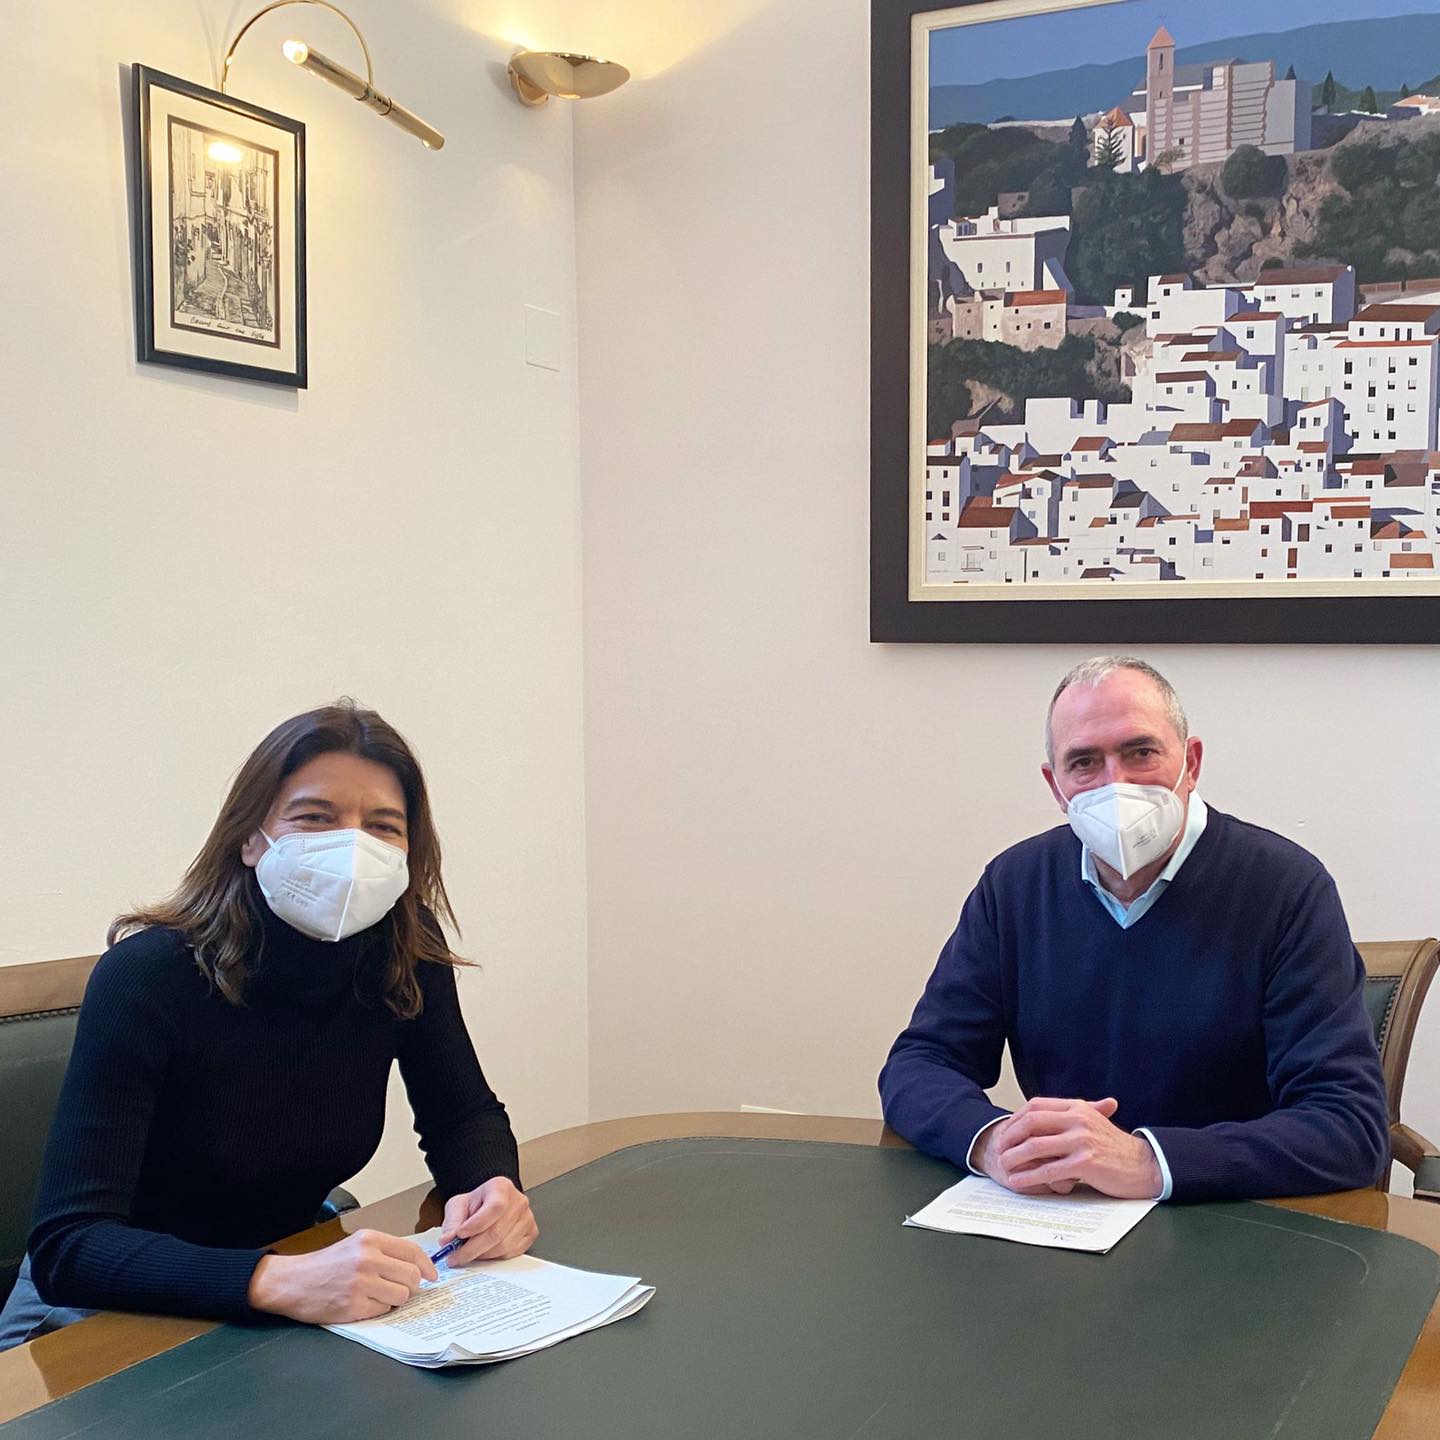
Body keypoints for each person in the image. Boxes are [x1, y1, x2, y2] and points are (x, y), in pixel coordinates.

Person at [0, 702, 537, 1350]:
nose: (352, 847)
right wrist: (272, 1280)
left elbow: (462, 1116)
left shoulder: (405, 954)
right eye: (315, 817)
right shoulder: (147, 976)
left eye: (382, 826)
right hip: (97, 1313)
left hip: (286, 1277)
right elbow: (70, 1248)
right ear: (250, 838)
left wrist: (491, 1186)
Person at [879, 656, 1388, 1203]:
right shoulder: (1014, 885)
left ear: (1191, 763)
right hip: (1063, 1216)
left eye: (1140, 752)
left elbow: (1348, 1127)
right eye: (1084, 762)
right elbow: (919, 1064)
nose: (1115, 783)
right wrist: (993, 1141)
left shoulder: (1287, 887)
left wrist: (1149, 1161)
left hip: (1236, 1218)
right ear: (1056, 786)